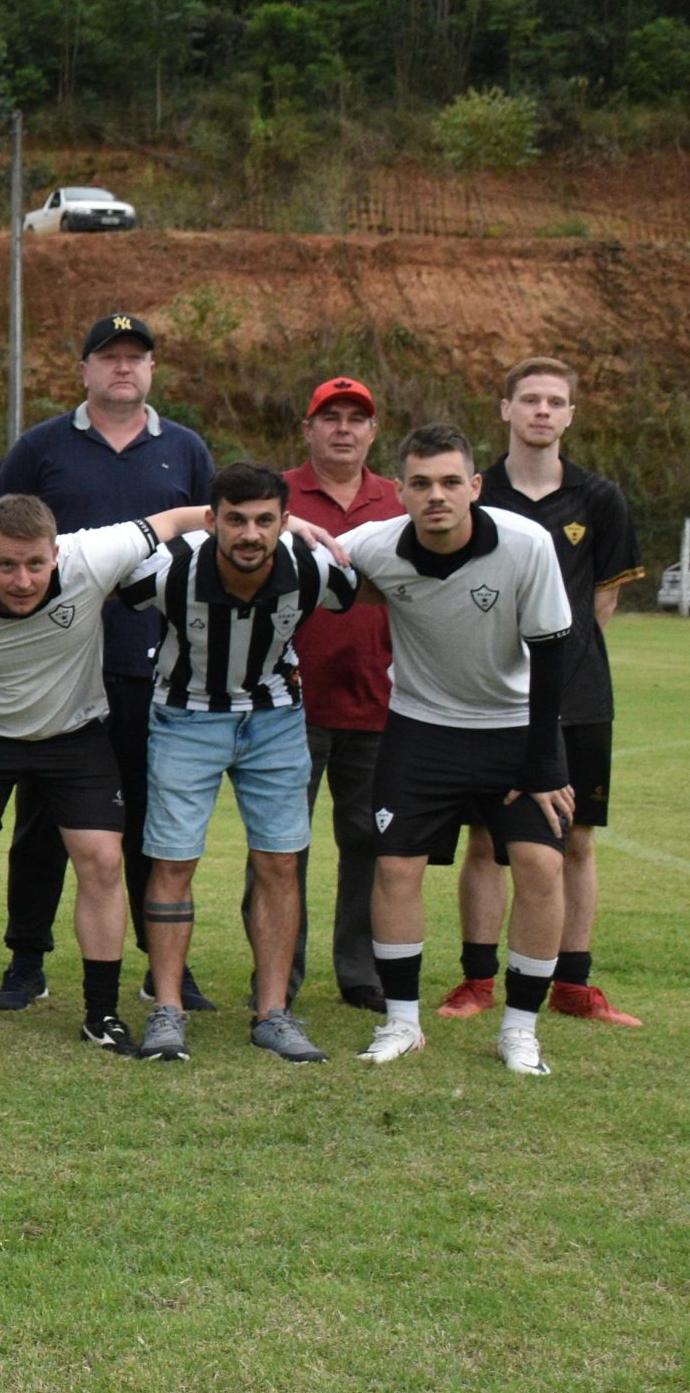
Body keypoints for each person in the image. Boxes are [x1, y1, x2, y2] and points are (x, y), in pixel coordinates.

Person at [0, 494, 220, 1054]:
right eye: (6, 565)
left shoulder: (91, 555)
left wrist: (293, 524)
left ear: (56, 554)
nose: (22, 580)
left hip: (74, 733)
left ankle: (102, 1014)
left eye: (35, 564)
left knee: (103, 859)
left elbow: (176, 519)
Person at [0, 312, 215, 1013]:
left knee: (153, 824)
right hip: (60, 669)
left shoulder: (185, 450)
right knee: (42, 824)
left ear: (151, 369)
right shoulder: (41, 447)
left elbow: (210, 542)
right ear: (84, 369)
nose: (123, 367)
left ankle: (162, 964)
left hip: (158, 669)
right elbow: (1, 545)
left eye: (135, 357)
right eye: (109, 356)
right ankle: (26, 961)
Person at [343, 424, 574, 1076]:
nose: (436, 496)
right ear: (400, 491)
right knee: (395, 869)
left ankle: (520, 1030)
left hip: (515, 725)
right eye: (420, 484)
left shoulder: (527, 543)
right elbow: (311, 551)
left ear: (475, 486)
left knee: (540, 865)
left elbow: (553, 652)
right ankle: (402, 1022)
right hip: (421, 727)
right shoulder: (375, 545)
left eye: (450, 482)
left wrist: (544, 763)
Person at [116, 463, 357, 1064]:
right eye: (237, 520)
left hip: (275, 719)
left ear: (284, 521)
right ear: (212, 520)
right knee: (173, 860)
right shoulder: (169, 569)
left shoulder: (313, 566)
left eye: (265, 521)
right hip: (185, 716)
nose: (250, 534)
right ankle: (167, 1008)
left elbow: (367, 587)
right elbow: (105, 579)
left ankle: (273, 1013)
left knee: (280, 861)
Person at [439, 358, 643, 1028]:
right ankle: (477, 981)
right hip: (490, 696)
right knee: (485, 841)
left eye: (556, 402)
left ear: (570, 415)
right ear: (506, 409)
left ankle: (572, 984)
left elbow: (602, 601)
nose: (542, 412)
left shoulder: (599, 498)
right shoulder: (476, 491)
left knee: (577, 839)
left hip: (578, 698)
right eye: (530, 399)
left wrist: (561, 666)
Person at [272, 376, 403, 1010]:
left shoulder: (400, 500)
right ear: (308, 429)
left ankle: (361, 971)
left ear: (373, 432)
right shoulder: (275, 497)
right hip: (287, 704)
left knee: (369, 844)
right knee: (281, 847)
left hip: (378, 701)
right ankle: (278, 975)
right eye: (331, 417)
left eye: (356, 418)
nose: (343, 428)